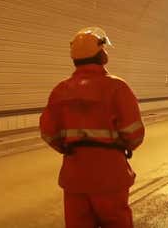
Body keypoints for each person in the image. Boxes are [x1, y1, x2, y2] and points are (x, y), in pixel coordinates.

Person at [40, 27, 145, 228]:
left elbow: (48, 131)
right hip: (110, 175)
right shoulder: (117, 88)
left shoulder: (61, 90)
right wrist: (124, 146)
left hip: (75, 176)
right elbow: (134, 133)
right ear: (101, 56)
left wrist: (67, 148)